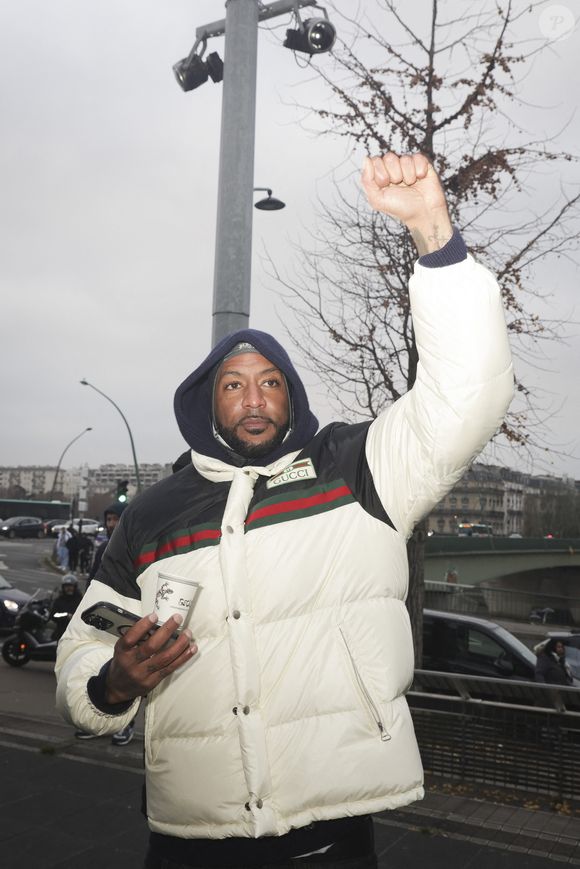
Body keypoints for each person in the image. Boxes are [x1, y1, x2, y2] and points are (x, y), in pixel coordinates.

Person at [55, 152, 514, 869]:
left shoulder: (357, 468)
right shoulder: (152, 514)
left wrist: (432, 232)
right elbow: (82, 645)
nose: (254, 397)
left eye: (270, 381)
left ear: (291, 396)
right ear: (208, 404)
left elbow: (466, 395)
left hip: (325, 831)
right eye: (233, 385)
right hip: (187, 836)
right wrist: (113, 683)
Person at [76, 500, 135, 747]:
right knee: (98, 670)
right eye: (109, 519)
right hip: (99, 618)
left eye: (116, 519)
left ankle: (125, 725)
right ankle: (96, 721)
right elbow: (93, 581)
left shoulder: (133, 546)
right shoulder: (102, 548)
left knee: (126, 675)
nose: (111, 524)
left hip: (125, 620)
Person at [49, 574, 83, 640]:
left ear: (75, 586)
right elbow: (53, 615)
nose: (69, 588)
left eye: (71, 586)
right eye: (66, 586)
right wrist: (66, 615)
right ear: (63, 587)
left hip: (77, 633)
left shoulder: (80, 600)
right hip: (61, 632)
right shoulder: (59, 600)